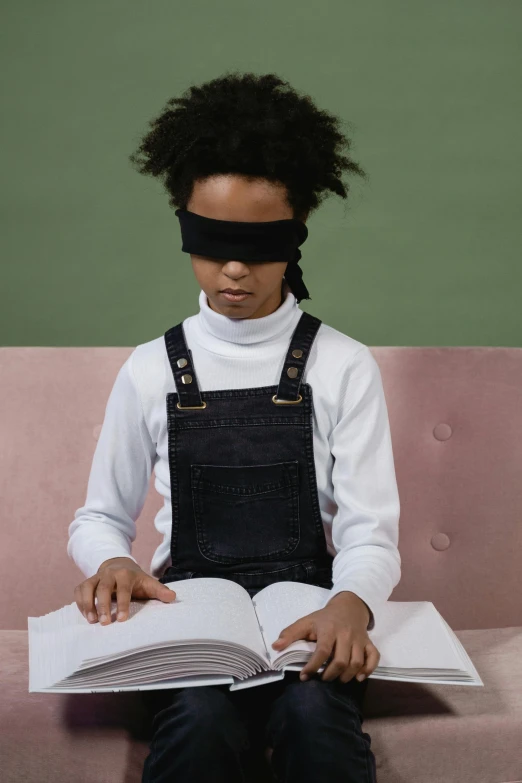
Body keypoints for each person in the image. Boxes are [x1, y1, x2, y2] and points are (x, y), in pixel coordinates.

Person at [68, 71, 401, 783]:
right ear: (184, 227)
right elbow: (99, 515)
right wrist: (112, 562)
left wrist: (353, 602)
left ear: (297, 237)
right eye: (210, 241)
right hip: (187, 619)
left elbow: (370, 529)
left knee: (317, 721)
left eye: (258, 244)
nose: (233, 268)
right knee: (199, 725)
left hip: (310, 622)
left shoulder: (343, 364)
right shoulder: (151, 367)